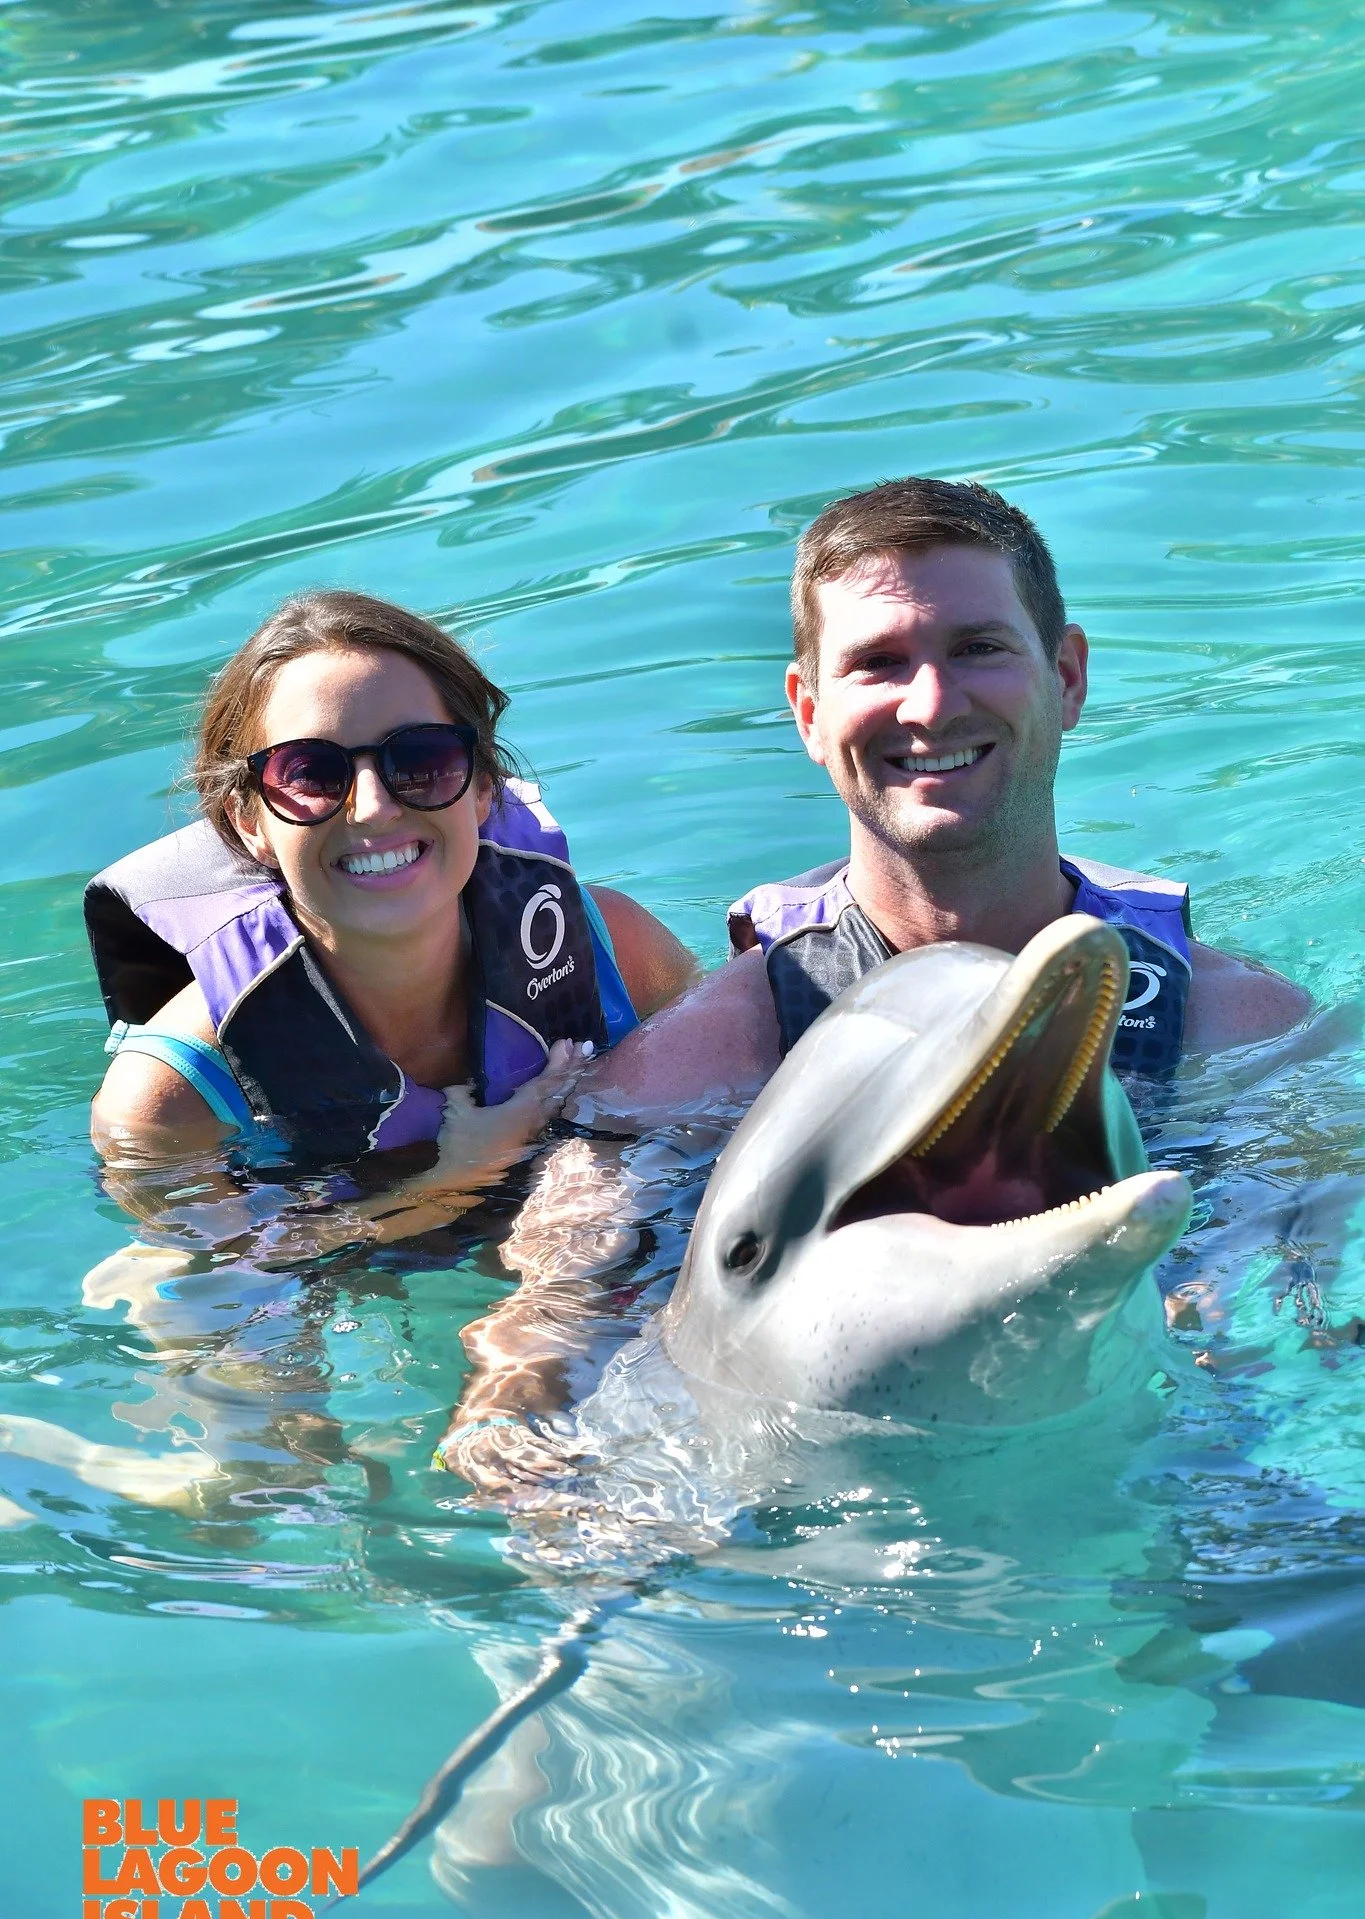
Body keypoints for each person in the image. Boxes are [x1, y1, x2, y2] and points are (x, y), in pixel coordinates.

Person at [438, 476, 1312, 1487]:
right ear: (808, 712)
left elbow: (1307, 1325)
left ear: (1067, 676)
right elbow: (540, 1349)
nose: (931, 703)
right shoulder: (682, 1072)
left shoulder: (1245, 1024)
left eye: (979, 646)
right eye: (878, 663)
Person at [88, 589, 695, 1242]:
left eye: (422, 761)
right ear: (247, 823)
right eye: (312, 773)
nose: (374, 807)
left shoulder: (616, 956)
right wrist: (462, 1176)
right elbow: (230, 1315)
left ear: (483, 788)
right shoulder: (170, 1103)